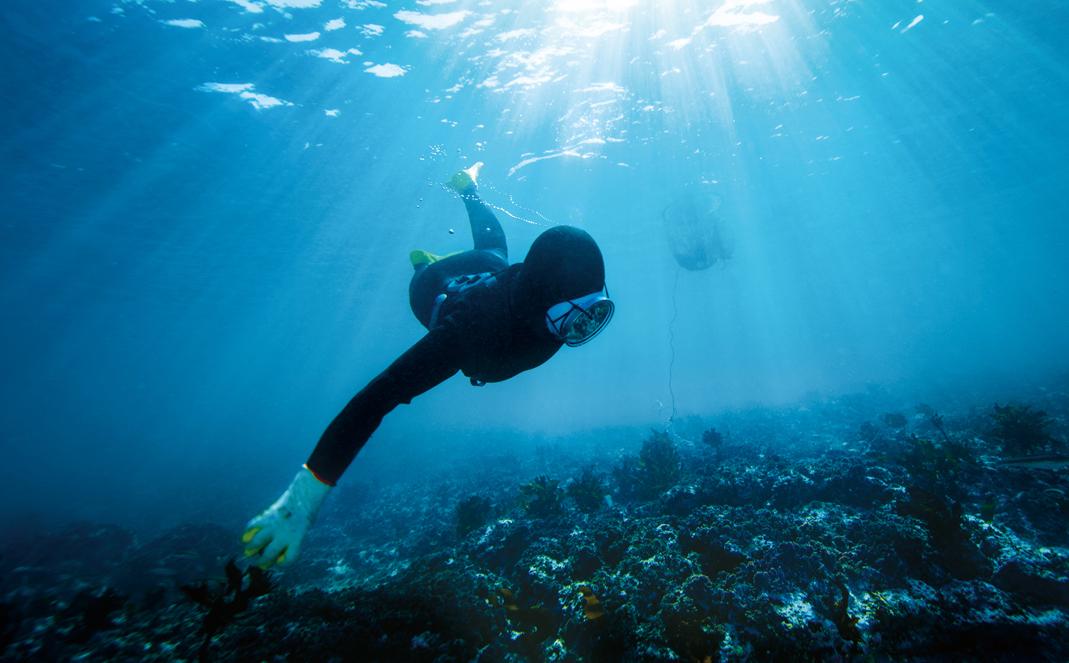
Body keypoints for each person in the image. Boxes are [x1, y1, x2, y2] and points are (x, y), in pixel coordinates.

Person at [242, 164, 615, 568]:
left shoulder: (553, 311)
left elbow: (561, 303)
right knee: (450, 268)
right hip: (436, 289)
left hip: (491, 271)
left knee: (495, 250)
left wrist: (573, 309)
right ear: (543, 299)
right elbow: (374, 400)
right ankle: (422, 262)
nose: (585, 325)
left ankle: (468, 188)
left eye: (597, 310)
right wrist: (301, 501)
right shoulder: (470, 332)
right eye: (576, 314)